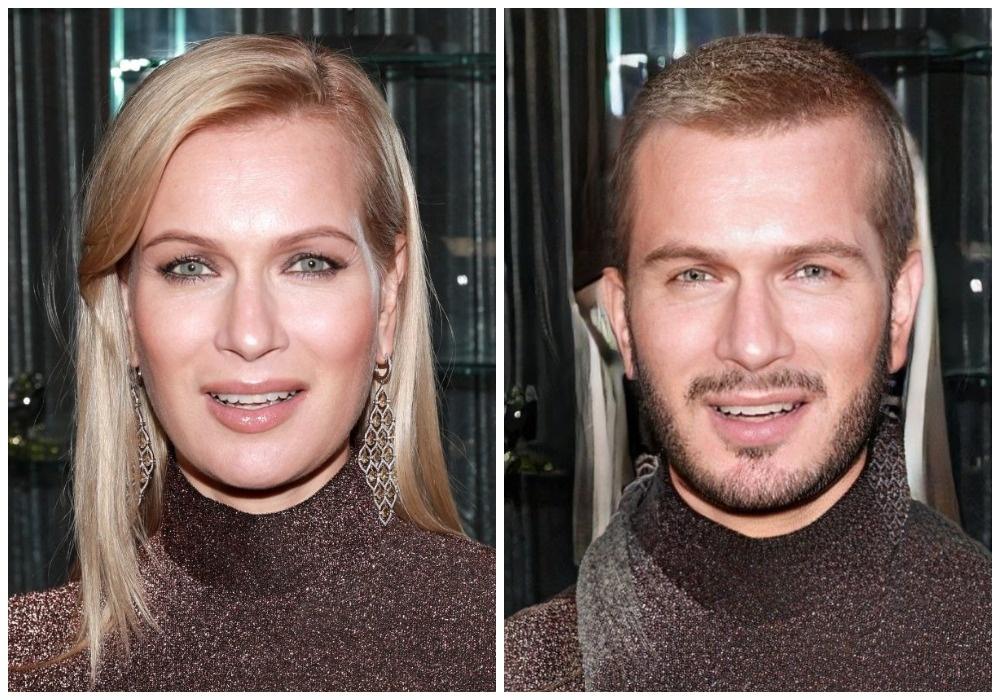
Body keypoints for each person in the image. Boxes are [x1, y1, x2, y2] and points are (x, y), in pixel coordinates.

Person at [9, 34, 494, 691]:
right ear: (124, 310)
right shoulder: (27, 665)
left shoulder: (501, 647)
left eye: (309, 263)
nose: (249, 333)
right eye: (189, 267)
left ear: (388, 298)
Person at [505, 34, 990, 691]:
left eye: (811, 271)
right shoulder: (516, 671)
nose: (753, 344)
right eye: (695, 276)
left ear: (900, 308)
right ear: (622, 320)